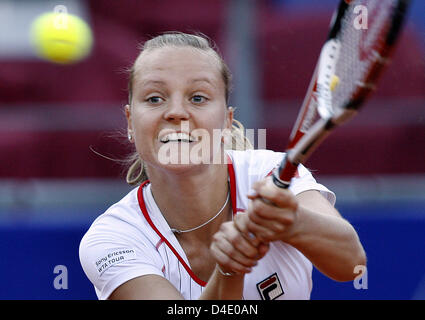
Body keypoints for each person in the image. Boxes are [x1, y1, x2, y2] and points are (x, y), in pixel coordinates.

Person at [79, 32, 366, 300]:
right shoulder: (113, 239)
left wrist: (292, 222)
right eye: (154, 98)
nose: (177, 112)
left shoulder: (270, 172)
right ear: (130, 121)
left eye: (198, 98)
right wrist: (229, 271)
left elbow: (352, 265)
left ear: (226, 122)